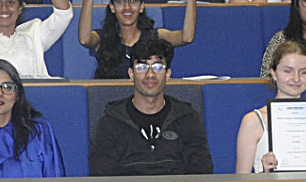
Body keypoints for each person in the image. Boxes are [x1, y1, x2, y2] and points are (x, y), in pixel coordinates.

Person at [88, 39, 213, 175]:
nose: (150, 74)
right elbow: (101, 175)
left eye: (158, 67)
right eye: (142, 67)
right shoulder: (111, 122)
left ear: (168, 74)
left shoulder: (187, 119)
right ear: (131, 74)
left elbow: (202, 173)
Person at [236, 41, 306, 173]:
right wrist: (265, 174)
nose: (296, 79)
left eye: (303, 72)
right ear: (273, 73)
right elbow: (241, 178)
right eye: (288, 71)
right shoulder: (253, 121)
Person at [80, 0, 206, 79]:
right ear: (112, 7)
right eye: (120, 1)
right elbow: (85, 39)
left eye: (133, 1)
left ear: (141, 7)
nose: (127, 7)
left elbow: (186, 37)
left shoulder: (154, 37)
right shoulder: (103, 37)